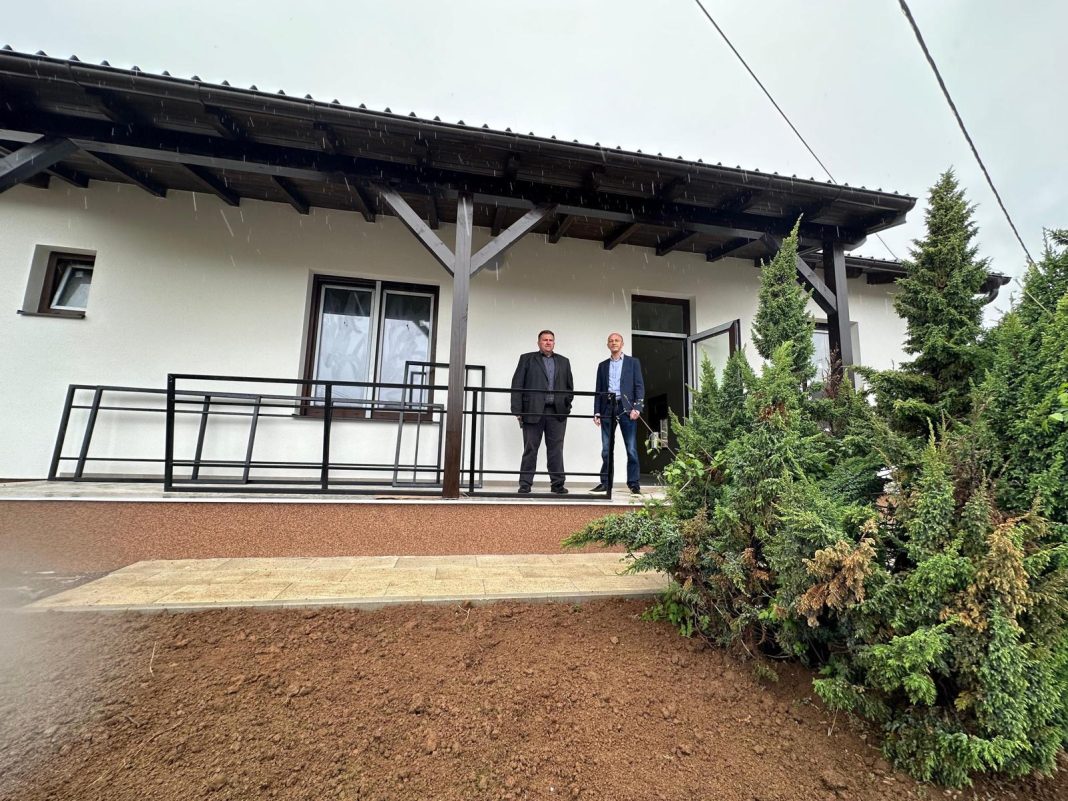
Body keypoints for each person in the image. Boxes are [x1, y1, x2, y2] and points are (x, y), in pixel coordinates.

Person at [510, 330, 574, 494]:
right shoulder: (527, 359)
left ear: (554, 343)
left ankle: (557, 484)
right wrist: (517, 410)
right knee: (530, 448)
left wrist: (566, 405)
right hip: (532, 411)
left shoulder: (564, 361)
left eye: (551, 340)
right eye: (544, 340)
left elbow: (569, 387)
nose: (548, 342)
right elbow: (517, 384)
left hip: (557, 413)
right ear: (538, 342)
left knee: (556, 449)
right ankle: (525, 484)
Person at [590, 332, 644, 496]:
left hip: (626, 408)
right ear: (608, 344)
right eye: (611, 341)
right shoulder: (602, 365)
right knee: (606, 449)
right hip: (607, 407)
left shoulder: (633, 362)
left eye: (617, 340)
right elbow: (599, 390)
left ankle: (634, 484)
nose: (614, 343)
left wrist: (638, 407)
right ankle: (605, 483)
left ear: (622, 344)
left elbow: (639, 386)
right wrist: (597, 411)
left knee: (631, 448)